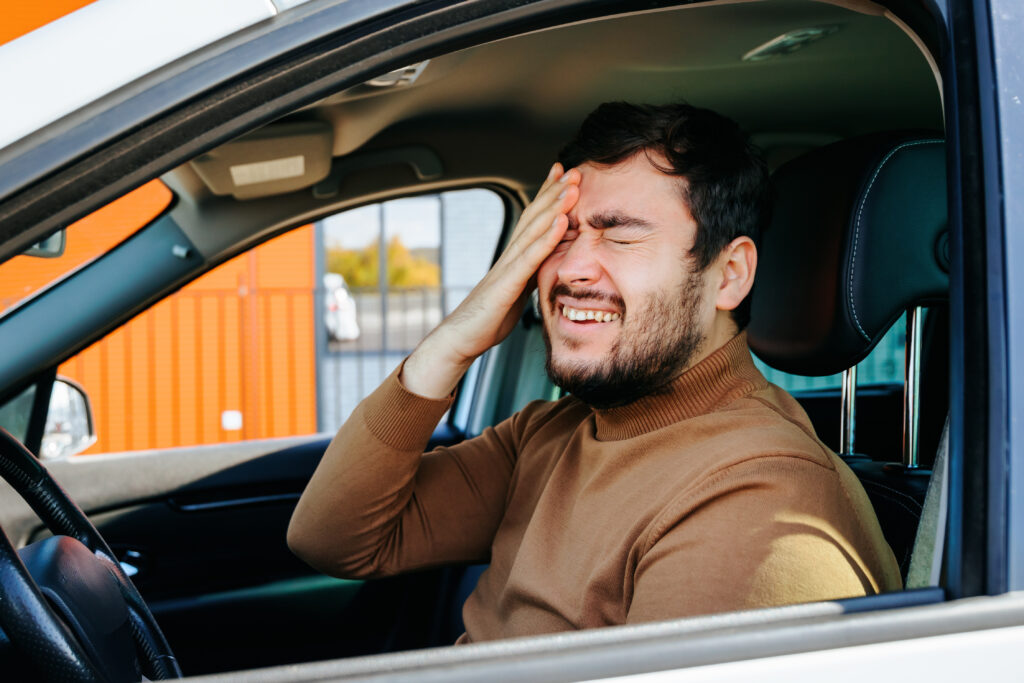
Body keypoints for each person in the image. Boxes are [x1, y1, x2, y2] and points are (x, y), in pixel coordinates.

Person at [287, 102, 902, 643]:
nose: (572, 269)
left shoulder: (760, 498)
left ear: (730, 274)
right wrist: (449, 345)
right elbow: (337, 539)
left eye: (620, 237)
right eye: (559, 237)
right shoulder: (551, 434)